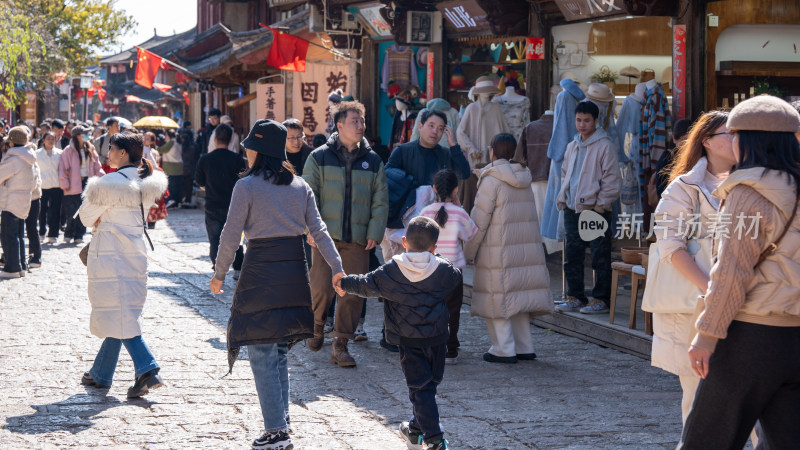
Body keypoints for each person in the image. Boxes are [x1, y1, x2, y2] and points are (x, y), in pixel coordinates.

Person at [209, 119, 344, 450]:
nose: (247, 154)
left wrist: (220, 272)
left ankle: (276, 432)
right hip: (294, 271)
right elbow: (320, 231)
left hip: (261, 272)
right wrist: (337, 267)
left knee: (261, 349)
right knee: (278, 350)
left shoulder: (247, 187)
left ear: (258, 150)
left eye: (250, 148)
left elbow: (231, 233)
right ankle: (281, 422)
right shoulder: (300, 186)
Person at [679, 96, 800, 448]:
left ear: (747, 139)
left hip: (750, 337)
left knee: (707, 441)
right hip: (795, 339)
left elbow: (731, 274)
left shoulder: (747, 193)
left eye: (733, 133)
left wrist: (706, 336)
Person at [337, 216, 461, 450]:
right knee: (428, 385)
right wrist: (437, 258)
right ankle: (416, 432)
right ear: (435, 247)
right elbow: (455, 276)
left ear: (404, 241)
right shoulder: (443, 270)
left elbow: (365, 284)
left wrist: (343, 283)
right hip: (436, 338)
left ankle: (433, 439)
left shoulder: (391, 271)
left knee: (421, 388)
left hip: (408, 339)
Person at [648, 111, 735, 426]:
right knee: (699, 397)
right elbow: (671, 247)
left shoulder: (755, 183)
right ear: (707, 142)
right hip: (695, 303)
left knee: (752, 397)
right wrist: (713, 289)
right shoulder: (684, 187)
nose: (738, 139)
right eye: (730, 133)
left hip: (744, 303)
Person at [78, 132, 168, 398]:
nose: (108, 153)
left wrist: (102, 217)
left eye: (111, 148)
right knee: (122, 311)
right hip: (135, 254)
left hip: (110, 255)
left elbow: (85, 217)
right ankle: (100, 373)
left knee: (121, 314)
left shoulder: (107, 183)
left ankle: (147, 369)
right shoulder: (147, 182)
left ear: (123, 154)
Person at [302, 100, 388, 367]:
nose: (361, 126)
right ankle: (317, 326)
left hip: (358, 239)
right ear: (339, 126)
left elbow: (380, 199)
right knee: (320, 288)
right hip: (324, 238)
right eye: (355, 121)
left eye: (362, 121)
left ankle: (341, 345)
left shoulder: (373, 160)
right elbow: (307, 195)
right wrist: (310, 229)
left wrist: (375, 231)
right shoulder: (318, 157)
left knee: (352, 293)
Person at [464, 133, 552, 363]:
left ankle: (503, 348)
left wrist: (468, 252)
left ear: (492, 150)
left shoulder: (491, 179)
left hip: (498, 248)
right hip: (523, 248)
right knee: (518, 298)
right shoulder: (523, 177)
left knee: (498, 299)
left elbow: (479, 221)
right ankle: (525, 346)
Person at [555, 101, 621, 315]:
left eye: (586, 120)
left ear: (596, 121)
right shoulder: (572, 145)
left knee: (599, 255)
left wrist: (601, 205)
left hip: (595, 209)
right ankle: (575, 296)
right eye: (578, 120)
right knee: (572, 254)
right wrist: (563, 195)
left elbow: (612, 179)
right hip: (572, 207)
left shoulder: (605, 145)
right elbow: (565, 172)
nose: (582, 125)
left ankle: (601, 299)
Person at [418, 169, 477, 364]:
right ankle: (450, 350)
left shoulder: (425, 213)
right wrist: (458, 206)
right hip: (453, 270)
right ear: (456, 190)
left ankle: (430, 347)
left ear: (434, 189)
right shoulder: (459, 213)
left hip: (429, 270)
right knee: (452, 310)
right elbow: (470, 235)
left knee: (429, 308)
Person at [195, 123, 247, 278]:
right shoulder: (237, 159)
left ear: (215, 139)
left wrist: (210, 188)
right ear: (231, 140)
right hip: (233, 204)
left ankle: (217, 267)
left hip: (212, 203)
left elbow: (200, 182)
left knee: (215, 237)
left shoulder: (205, 159)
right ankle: (237, 268)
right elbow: (243, 181)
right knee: (236, 236)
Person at [0, 127, 37, 278]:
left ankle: (12, 268)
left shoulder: (14, 159)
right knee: (20, 234)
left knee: (10, 234)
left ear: (12, 141)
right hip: (24, 199)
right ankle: (21, 266)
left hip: (11, 200)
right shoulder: (29, 158)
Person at [58, 125, 104, 244]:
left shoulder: (90, 148)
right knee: (71, 211)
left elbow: (96, 166)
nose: (86, 136)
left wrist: (102, 178)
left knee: (84, 210)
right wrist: (64, 183)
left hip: (87, 182)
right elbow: (62, 169)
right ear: (77, 136)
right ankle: (69, 233)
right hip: (72, 183)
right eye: (84, 134)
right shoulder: (68, 150)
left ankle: (79, 234)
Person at [654, 118, 692, 200]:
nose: (687, 144)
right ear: (674, 139)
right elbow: (661, 192)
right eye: (684, 140)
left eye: (691, 140)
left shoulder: (696, 156)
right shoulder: (666, 159)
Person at [36, 132, 63, 243]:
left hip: (56, 185)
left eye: (53, 138)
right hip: (42, 185)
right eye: (48, 138)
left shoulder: (60, 153)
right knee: (42, 210)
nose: (51, 141)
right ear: (43, 140)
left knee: (55, 211)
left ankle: (53, 234)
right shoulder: (37, 154)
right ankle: (42, 232)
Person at [156, 129, 183, 208]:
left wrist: (155, 146)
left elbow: (161, 150)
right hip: (178, 167)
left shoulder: (171, 142)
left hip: (171, 167)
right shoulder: (177, 142)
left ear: (169, 136)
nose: (165, 137)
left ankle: (172, 200)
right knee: (177, 185)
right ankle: (177, 201)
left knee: (171, 185)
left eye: (166, 135)